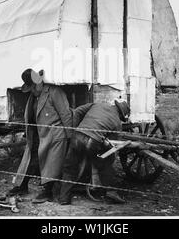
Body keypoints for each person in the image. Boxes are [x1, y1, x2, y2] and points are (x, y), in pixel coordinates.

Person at [8, 69, 73, 204]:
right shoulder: (33, 96)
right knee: (30, 158)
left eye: (33, 87)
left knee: (51, 163)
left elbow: (66, 115)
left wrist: (69, 137)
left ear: (39, 83)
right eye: (30, 88)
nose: (32, 90)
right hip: (38, 134)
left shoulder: (54, 92)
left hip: (55, 135)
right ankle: (22, 185)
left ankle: (47, 191)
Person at [58, 99, 131, 205]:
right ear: (121, 114)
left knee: (70, 167)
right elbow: (111, 146)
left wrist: (76, 127)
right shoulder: (117, 123)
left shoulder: (98, 104)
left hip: (77, 136)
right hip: (92, 142)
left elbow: (77, 111)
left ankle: (63, 198)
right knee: (106, 163)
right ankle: (111, 191)